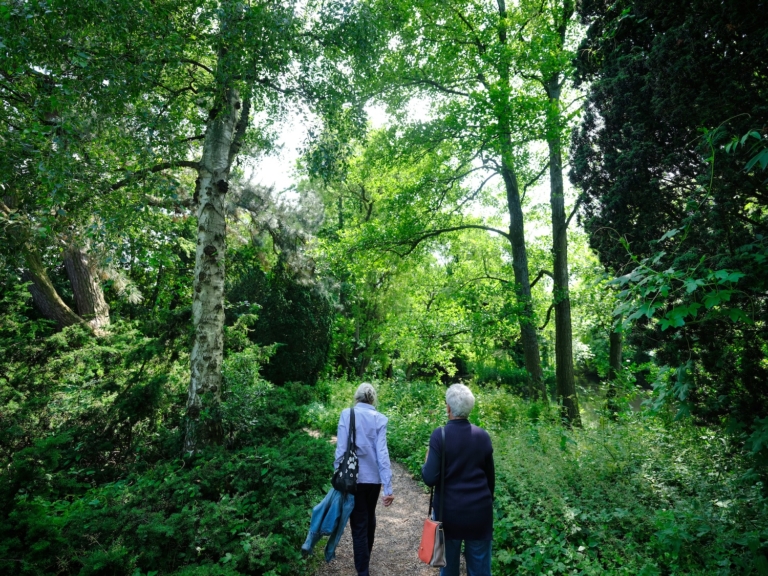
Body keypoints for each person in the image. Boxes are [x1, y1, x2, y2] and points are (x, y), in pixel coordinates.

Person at [422, 383, 495, 576]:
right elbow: (490, 480)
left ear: (448, 407)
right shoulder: (483, 436)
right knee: (480, 570)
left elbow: (429, 478)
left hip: (449, 515)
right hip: (479, 514)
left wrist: (427, 460)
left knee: (449, 569)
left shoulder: (440, 435)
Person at [335, 382, 395, 576]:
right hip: (374, 480)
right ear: (373, 398)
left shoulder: (347, 414)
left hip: (354, 479)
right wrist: (388, 486)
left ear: (357, 397)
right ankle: (365, 559)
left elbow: (341, 449)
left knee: (359, 522)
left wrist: (338, 474)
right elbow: (382, 453)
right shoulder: (380, 419)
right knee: (369, 516)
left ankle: (363, 570)